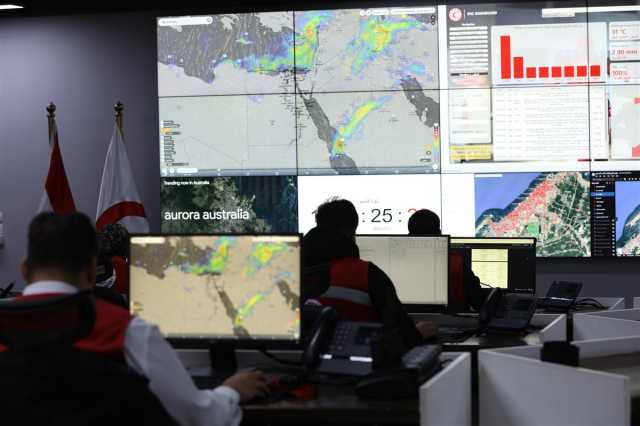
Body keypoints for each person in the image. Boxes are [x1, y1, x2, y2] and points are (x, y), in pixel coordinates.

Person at [9, 212, 268, 426]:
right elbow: (198, 417)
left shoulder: (5, 328)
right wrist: (230, 390)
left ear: (24, 269)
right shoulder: (127, 330)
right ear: (91, 270)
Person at [302, 198, 437, 349]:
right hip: (356, 358)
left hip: (297, 357)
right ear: (351, 232)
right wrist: (418, 333)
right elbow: (400, 334)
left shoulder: (293, 269)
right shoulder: (368, 274)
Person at [407, 209, 485, 311]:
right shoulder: (457, 264)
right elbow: (479, 303)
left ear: (409, 236)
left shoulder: (395, 263)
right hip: (449, 320)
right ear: (439, 233)